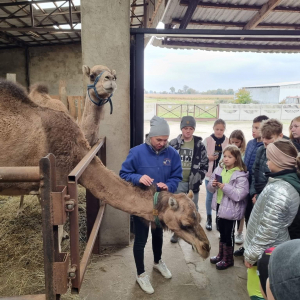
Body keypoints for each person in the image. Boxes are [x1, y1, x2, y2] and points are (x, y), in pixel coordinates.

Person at [119, 115, 182, 294]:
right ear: (150, 136)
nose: (162, 143)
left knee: (158, 234)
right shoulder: (136, 152)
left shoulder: (172, 154)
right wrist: (138, 178)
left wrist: (168, 185)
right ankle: (141, 274)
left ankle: (157, 262)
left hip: (160, 204)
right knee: (140, 239)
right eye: (158, 139)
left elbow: (177, 176)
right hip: (141, 204)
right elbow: (124, 173)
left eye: (165, 140)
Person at [244, 139, 300, 300]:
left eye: (269, 159)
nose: (267, 163)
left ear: (279, 161)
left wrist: (251, 255)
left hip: (266, 254)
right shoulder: (281, 182)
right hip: (268, 251)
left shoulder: (280, 190)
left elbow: (268, 229)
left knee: (259, 293)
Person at [207, 145, 249, 270]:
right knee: (221, 230)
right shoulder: (219, 169)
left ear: (236, 158)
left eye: (229, 157)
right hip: (220, 206)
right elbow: (210, 187)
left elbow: (239, 194)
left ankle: (228, 259)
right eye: (224, 156)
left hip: (231, 209)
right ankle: (222, 255)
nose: (226, 159)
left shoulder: (240, 175)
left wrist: (225, 187)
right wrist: (213, 184)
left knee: (228, 233)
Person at [233, 115, 270, 257]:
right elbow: (246, 167)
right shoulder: (251, 144)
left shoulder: (266, 147)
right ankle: (247, 246)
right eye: (253, 127)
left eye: (257, 128)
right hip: (247, 189)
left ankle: (256, 252)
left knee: (259, 223)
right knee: (249, 218)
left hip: (258, 192)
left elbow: (260, 173)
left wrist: (256, 193)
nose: (253, 130)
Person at [169, 116, 209, 243]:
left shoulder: (199, 145)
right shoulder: (173, 144)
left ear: (194, 129)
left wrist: (199, 177)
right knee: (178, 208)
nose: (188, 131)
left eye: (191, 128)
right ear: (181, 128)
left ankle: (195, 234)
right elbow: (167, 161)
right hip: (178, 182)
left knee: (193, 209)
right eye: (185, 128)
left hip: (192, 183)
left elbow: (205, 164)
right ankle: (177, 233)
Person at [203, 119, 229, 231]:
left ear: (224, 129)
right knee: (209, 196)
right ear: (213, 128)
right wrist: (208, 157)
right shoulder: (207, 140)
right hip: (210, 174)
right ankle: (209, 218)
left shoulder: (228, 141)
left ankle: (219, 219)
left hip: (223, 174)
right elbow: (201, 155)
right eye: (217, 129)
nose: (219, 131)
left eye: (221, 129)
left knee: (221, 197)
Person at [228, 129, 247, 245]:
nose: (234, 145)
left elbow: (244, 167)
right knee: (229, 209)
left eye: (237, 142)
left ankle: (239, 232)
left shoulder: (244, 152)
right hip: (229, 183)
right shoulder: (227, 151)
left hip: (239, 184)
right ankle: (228, 232)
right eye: (232, 142)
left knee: (240, 210)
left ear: (241, 142)